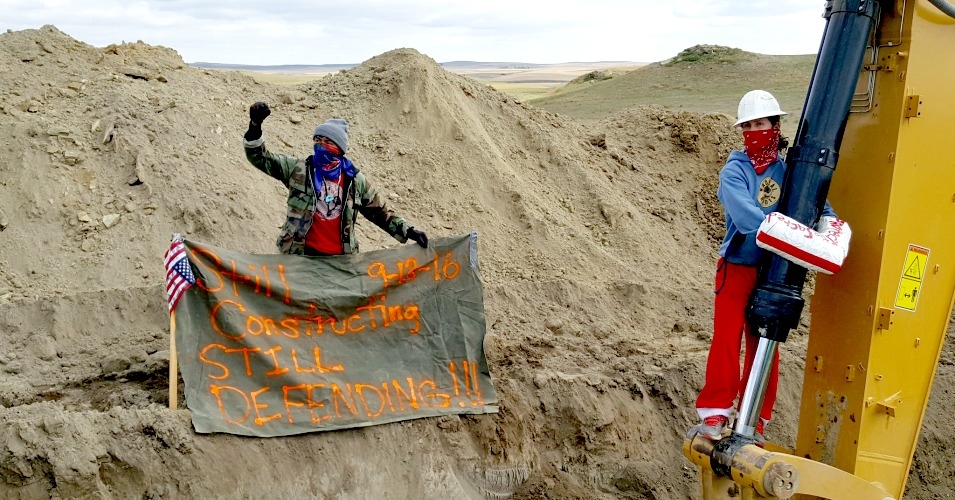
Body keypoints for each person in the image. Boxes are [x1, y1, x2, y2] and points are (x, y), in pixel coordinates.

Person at [694, 90, 838, 445]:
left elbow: (821, 208)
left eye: (761, 124)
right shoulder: (733, 172)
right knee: (726, 341)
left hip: (773, 272)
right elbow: (745, 217)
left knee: (764, 344)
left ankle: (754, 419)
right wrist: (788, 235)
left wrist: (830, 232)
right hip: (738, 266)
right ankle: (714, 414)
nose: (754, 131)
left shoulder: (790, 171)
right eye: (748, 126)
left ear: (776, 126)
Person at [241, 101, 428, 256]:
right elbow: (260, 158)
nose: (321, 146)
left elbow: (380, 213)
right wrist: (254, 127)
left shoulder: (355, 180)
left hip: (340, 261)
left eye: (328, 142)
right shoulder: (298, 169)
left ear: (340, 148)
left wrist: (409, 231)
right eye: (317, 140)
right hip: (299, 256)